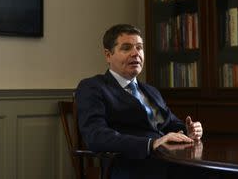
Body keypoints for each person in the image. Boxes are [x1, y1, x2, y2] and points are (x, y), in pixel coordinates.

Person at [76, 24, 203, 179]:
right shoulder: (93, 87)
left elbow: (171, 123)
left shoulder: (150, 91)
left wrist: (188, 131)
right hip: (132, 167)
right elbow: (96, 136)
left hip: (171, 162)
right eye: (127, 48)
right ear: (108, 55)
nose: (136, 53)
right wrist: (151, 143)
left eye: (139, 47)